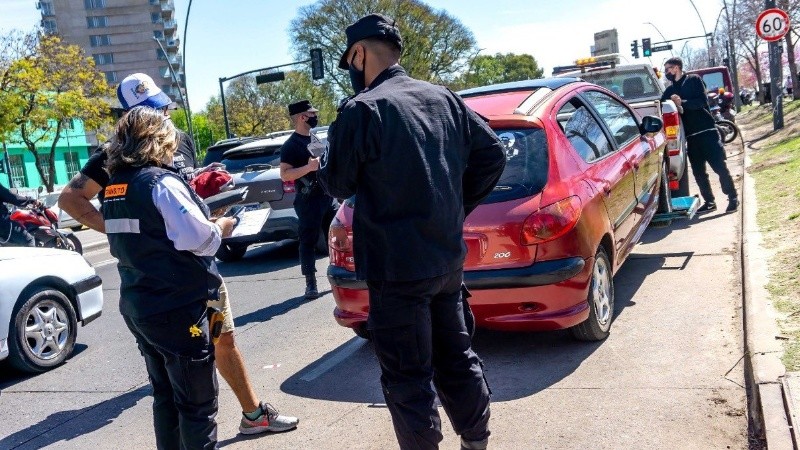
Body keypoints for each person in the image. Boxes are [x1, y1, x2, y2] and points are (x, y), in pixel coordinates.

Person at [58, 73, 298, 436]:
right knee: (194, 405)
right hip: (176, 289)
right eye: (152, 113)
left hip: (194, 278)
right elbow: (72, 199)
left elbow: (181, 198)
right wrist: (124, 228)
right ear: (131, 122)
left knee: (220, 343)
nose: (162, 118)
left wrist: (205, 195)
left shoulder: (176, 144)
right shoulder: (111, 158)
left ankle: (253, 413)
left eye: (161, 108)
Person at [318, 14, 506, 450]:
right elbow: (492, 156)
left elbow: (337, 183)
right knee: (457, 357)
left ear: (359, 54)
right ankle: (476, 441)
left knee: (408, 376)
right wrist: (454, 209)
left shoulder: (362, 109)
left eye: (350, 60)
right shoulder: (443, 98)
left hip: (397, 269)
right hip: (445, 260)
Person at [103, 106, 230, 448]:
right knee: (198, 407)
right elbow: (201, 240)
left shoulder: (115, 187)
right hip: (177, 309)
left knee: (165, 397)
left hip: (139, 305)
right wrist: (221, 226)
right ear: (159, 140)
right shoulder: (160, 183)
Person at [661, 57, 738, 213]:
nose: (666, 73)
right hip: (690, 137)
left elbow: (702, 102)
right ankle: (709, 201)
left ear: (676, 68)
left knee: (719, 167)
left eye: (668, 69)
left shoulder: (694, 80)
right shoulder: (669, 91)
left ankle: (733, 197)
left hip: (707, 132)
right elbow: (661, 108)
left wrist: (682, 102)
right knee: (699, 173)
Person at [278, 100, 335, 299]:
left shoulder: (315, 138)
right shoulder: (290, 145)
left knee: (337, 237)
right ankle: (310, 283)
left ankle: (341, 275)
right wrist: (308, 168)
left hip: (327, 196)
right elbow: (285, 175)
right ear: (302, 117)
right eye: (312, 114)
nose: (315, 116)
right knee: (308, 241)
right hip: (308, 199)